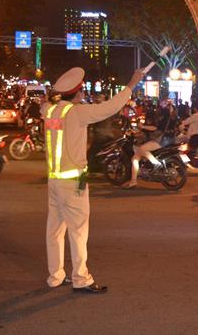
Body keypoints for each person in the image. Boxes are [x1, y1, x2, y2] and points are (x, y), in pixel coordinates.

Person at [43, 66, 143, 293]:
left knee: (54, 230)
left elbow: (46, 102)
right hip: (72, 182)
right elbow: (111, 107)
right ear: (77, 93)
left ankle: (55, 276)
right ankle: (80, 278)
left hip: (54, 181)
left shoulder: (49, 111)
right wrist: (131, 84)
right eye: (82, 91)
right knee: (78, 231)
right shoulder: (76, 113)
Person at [126, 108, 162, 189]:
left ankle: (156, 163)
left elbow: (154, 128)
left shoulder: (153, 120)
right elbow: (143, 131)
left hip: (155, 141)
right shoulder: (147, 120)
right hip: (149, 141)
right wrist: (133, 132)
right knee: (134, 159)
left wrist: (143, 127)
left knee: (142, 149)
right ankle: (133, 181)